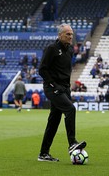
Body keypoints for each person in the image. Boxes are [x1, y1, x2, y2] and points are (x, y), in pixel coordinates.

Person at [38, 23, 86, 162]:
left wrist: (66, 87)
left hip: (64, 89)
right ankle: (72, 143)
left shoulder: (70, 50)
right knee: (70, 109)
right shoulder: (52, 49)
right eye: (68, 34)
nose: (71, 36)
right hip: (52, 88)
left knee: (54, 121)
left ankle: (43, 154)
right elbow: (42, 69)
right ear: (60, 35)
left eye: (71, 34)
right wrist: (53, 84)